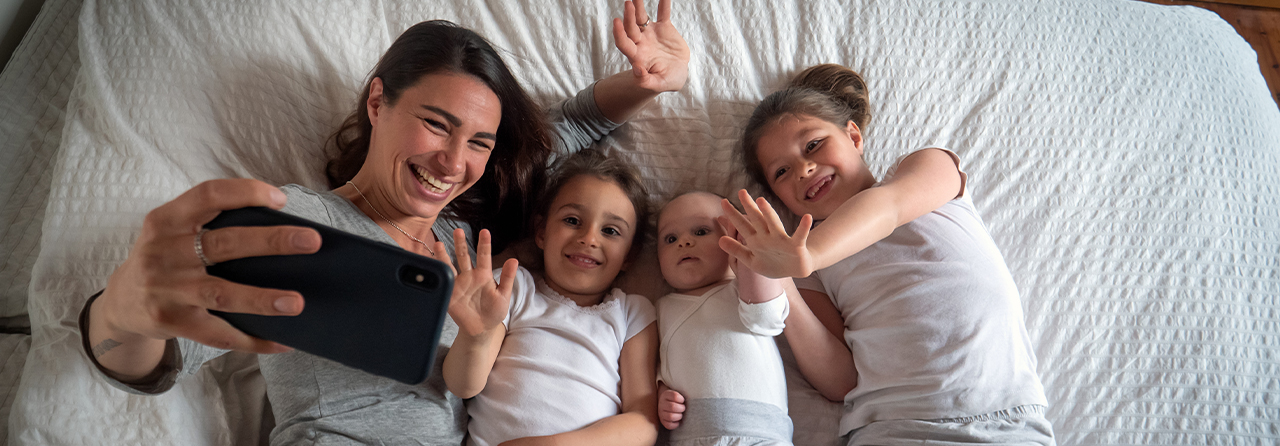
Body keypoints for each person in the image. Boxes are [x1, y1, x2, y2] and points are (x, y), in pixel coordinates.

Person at [78, 0, 689, 443]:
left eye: (479, 141)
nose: (454, 162)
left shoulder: (465, 234)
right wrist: (118, 314)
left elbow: (571, 130)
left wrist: (644, 84)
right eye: (436, 124)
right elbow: (157, 351)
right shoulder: (301, 223)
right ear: (378, 103)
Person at [715, 64, 1056, 445]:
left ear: (854, 135)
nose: (805, 168)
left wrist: (808, 253)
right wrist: (781, 281)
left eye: (813, 145)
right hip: (893, 426)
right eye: (781, 171)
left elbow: (888, 207)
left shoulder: (924, 168)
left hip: (1005, 421)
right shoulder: (807, 270)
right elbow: (840, 380)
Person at [443, 148, 658, 446]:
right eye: (572, 220)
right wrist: (474, 335)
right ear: (541, 232)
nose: (589, 238)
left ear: (629, 255)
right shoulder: (512, 287)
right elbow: (462, 386)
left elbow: (644, 423)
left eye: (610, 231)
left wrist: (556, 444)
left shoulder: (632, 312)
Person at [652, 191, 793, 445]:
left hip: (761, 434)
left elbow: (767, 319)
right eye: (670, 238)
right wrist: (662, 393)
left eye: (701, 231)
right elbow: (661, 364)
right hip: (691, 436)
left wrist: (752, 264)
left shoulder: (743, 288)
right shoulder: (659, 309)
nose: (683, 242)